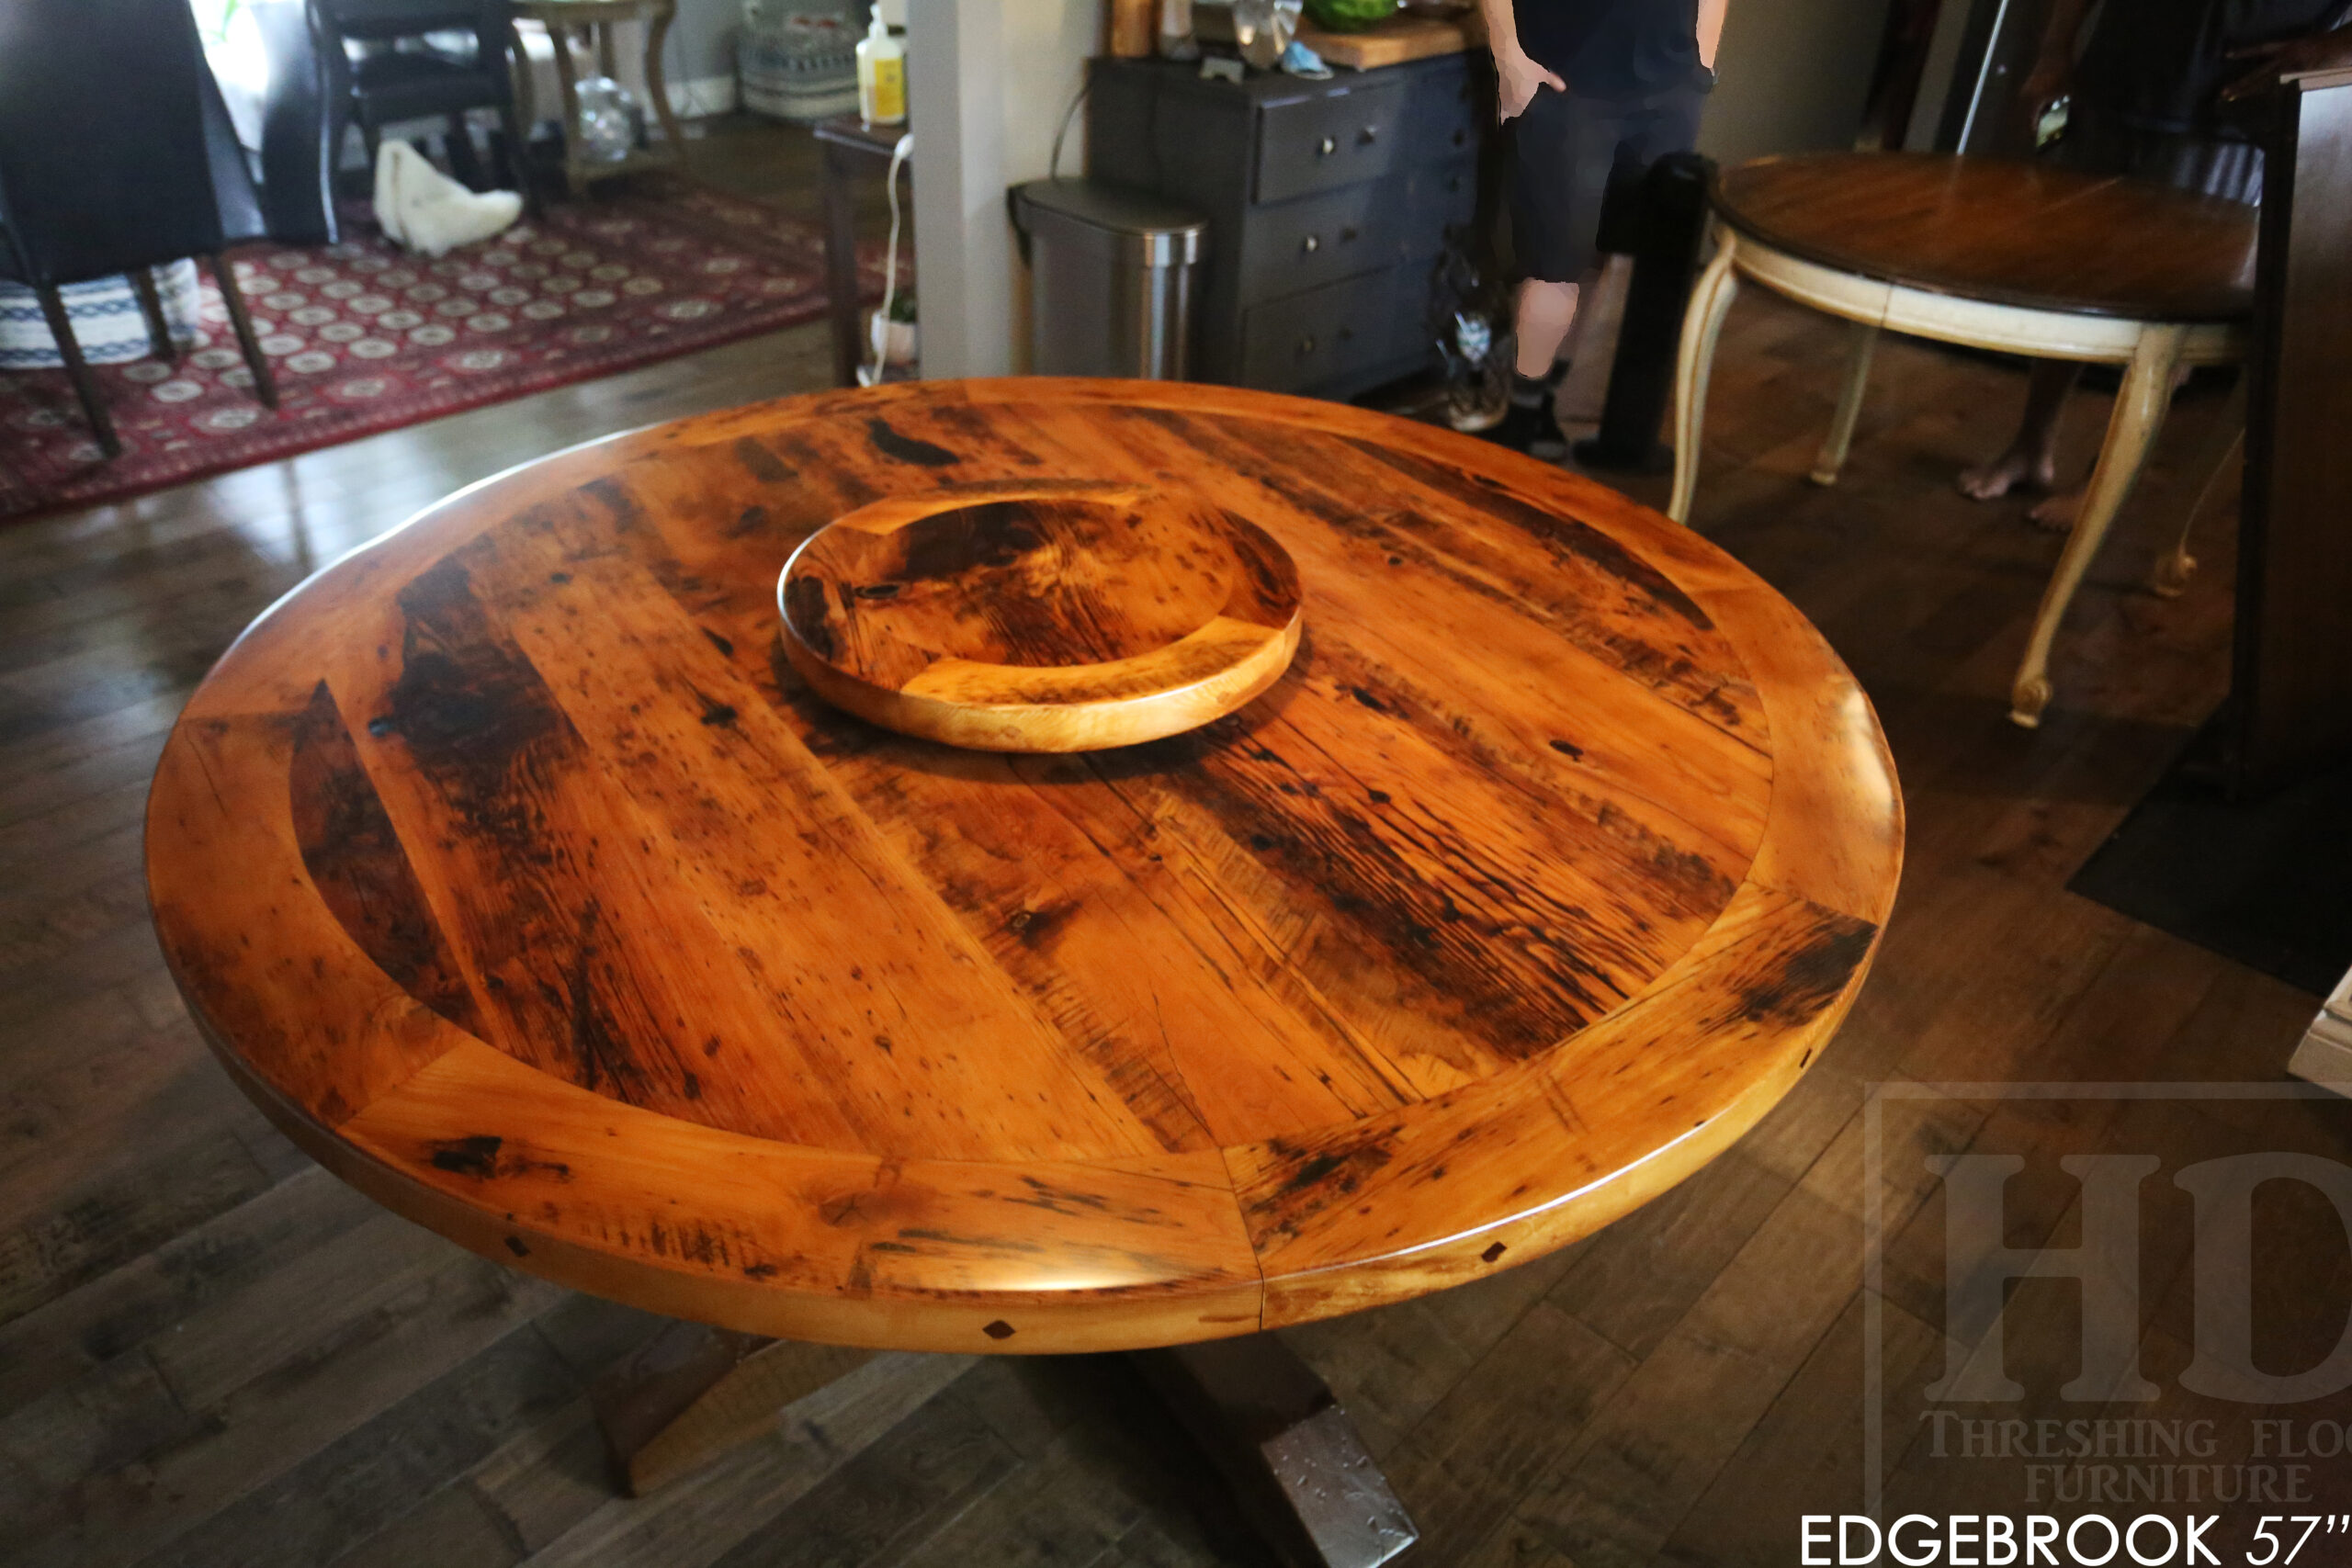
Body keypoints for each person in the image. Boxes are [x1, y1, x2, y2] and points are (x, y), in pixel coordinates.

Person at [1959, 0, 2350, 525]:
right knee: (2070, 280)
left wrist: (2334, 47)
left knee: (2175, 317)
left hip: (2232, 117)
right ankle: (2031, 445)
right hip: (2111, 85)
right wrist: (2053, 53)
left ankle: (2102, 487)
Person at [1478, 0, 1731, 454]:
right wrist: (1509, 58)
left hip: (1669, 86)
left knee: (1604, 253)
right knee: (1554, 264)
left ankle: (1546, 409)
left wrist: (1702, 64)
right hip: (1566, 81)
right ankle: (1520, 423)